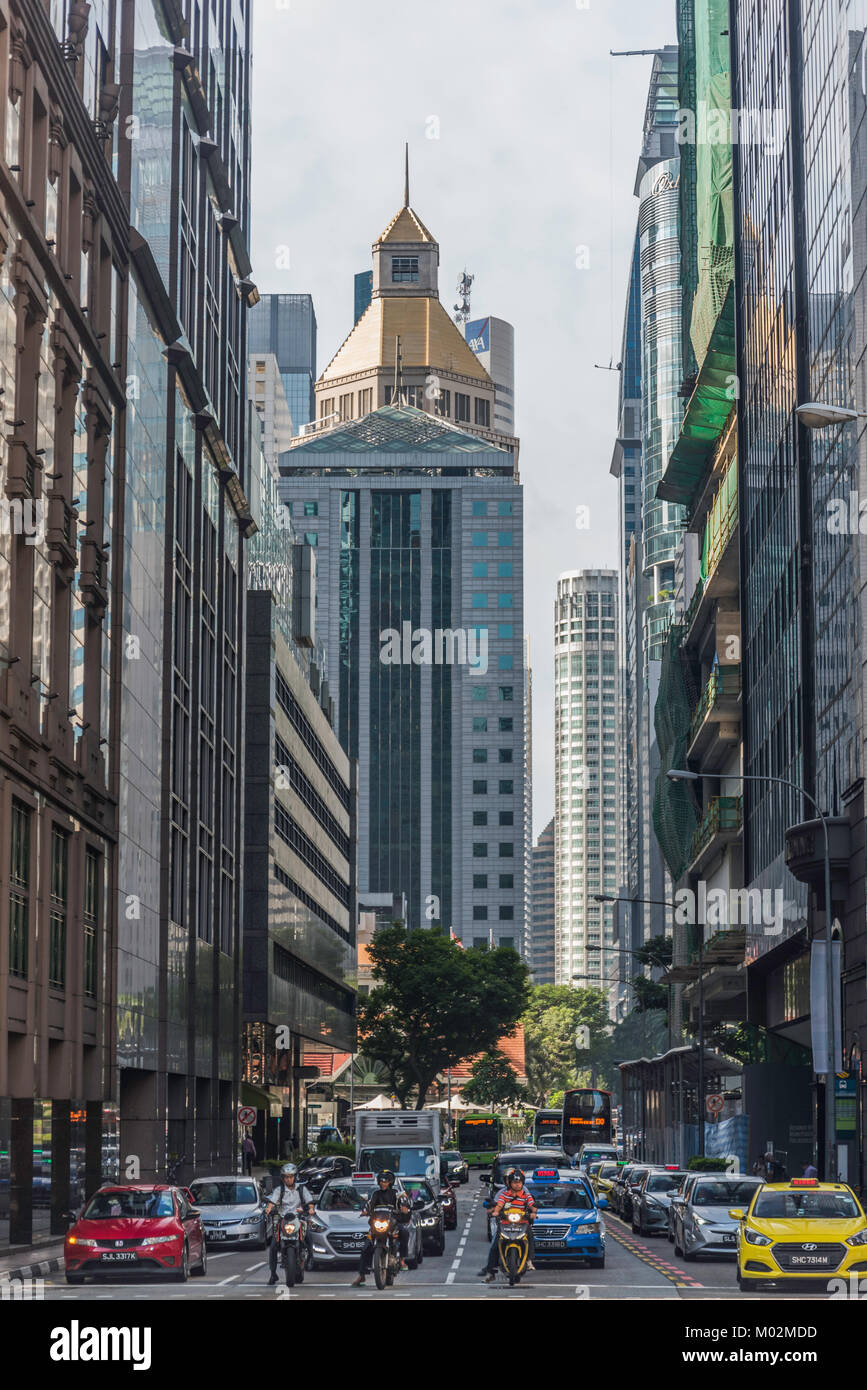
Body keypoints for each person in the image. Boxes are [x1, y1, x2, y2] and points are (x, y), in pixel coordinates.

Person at [351, 1171, 410, 1286]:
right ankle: (362, 1276)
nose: (383, 1183)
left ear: (390, 1182)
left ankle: (402, 1260)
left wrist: (404, 1208)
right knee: (365, 1247)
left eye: (386, 1181)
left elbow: (404, 1202)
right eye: (382, 1181)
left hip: (392, 1223)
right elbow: (369, 1204)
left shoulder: (396, 1193)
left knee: (404, 1232)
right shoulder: (375, 1194)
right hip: (377, 1224)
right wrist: (365, 1210)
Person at [477, 1168, 537, 1282]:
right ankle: (491, 1271)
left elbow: (531, 1203)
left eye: (517, 1181)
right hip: (505, 1223)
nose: (514, 1183)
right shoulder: (502, 1193)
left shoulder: (525, 1191)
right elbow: (494, 1205)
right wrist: (492, 1209)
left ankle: (529, 1260)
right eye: (509, 1180)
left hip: (521, 1223)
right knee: (494, 1245)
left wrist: (531, 1213)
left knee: (530, 1235)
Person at [266, 1163, 315, 1285]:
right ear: (283, 1178)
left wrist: (311, 1208)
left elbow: (310, 1202)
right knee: (273, 1246)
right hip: (283, 1219)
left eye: (291, 1176)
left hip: (298, 1219)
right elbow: (272, 1202)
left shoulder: (301, 1189)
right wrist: (268, 1209)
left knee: (309, 1237)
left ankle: (310, 1260)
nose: (289, 1179)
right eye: (286, 1177)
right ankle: (273, 1274)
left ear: (295, 1177)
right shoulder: (279, 1190)